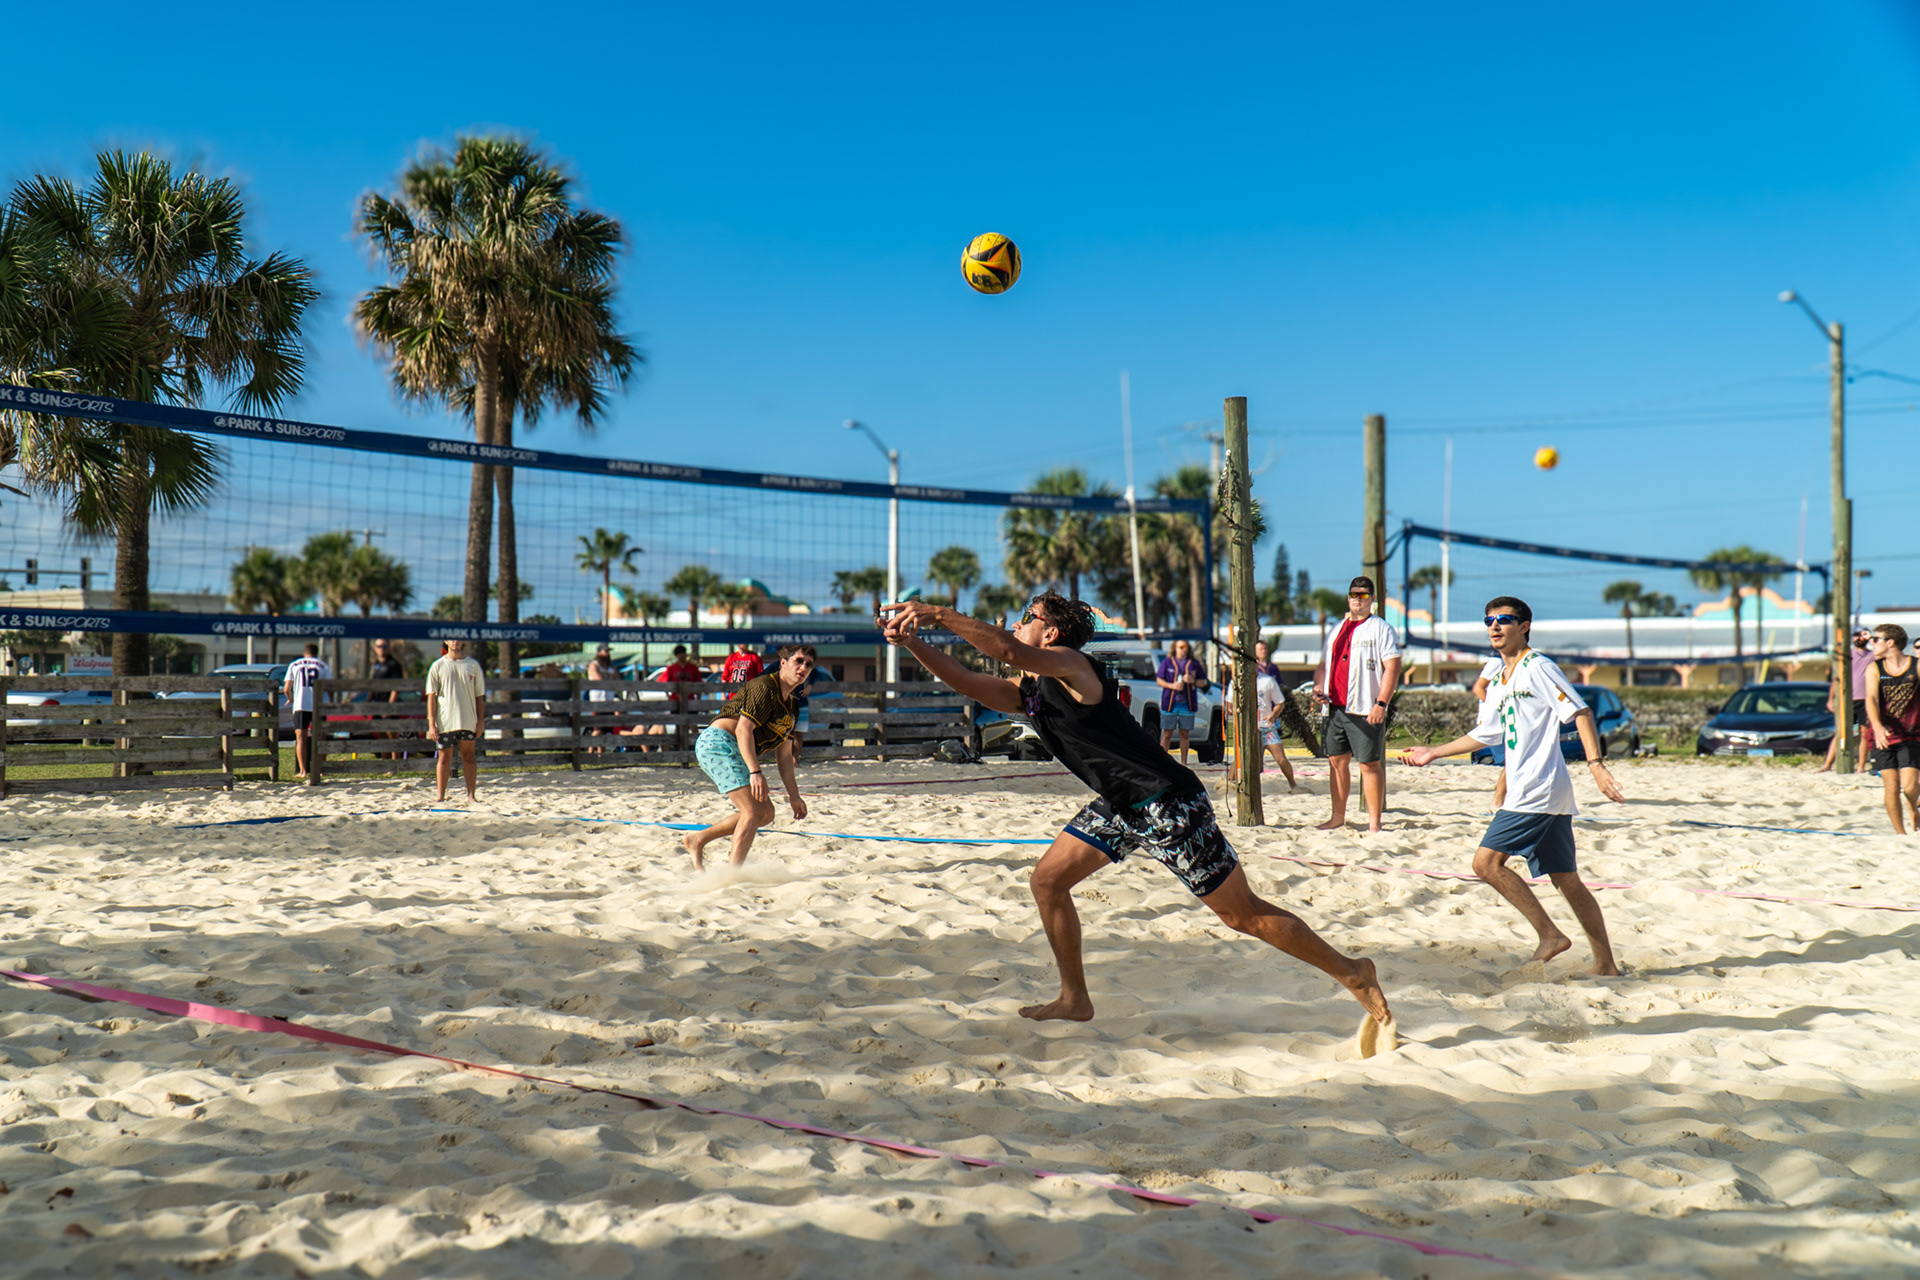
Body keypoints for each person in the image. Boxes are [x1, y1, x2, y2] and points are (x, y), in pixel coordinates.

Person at [878, 591, 1391, 1039]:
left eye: (1027, 615)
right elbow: (969, 682)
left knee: (1242, 915)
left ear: (1051, 633)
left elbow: (1008, 650)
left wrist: (937, 614)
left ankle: (1354, 972)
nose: (1016, 621)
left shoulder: (1075, 667)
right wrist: (913, 643)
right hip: (1121, 803)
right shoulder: (1029, 692)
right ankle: (1074, 998)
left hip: (1166, 801)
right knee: (1048, 882)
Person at [1403, 597, 1625, 975]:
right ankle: (1606, 965)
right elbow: (1486, 733)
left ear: (1524, 627)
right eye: (1489, 620)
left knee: (1486, 863)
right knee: (1567, 880)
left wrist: (1596, 766)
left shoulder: (1538, 667)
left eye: (1504, 620)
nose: (1495, 626)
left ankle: (1550, 936)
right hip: (1541, 791)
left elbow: (1580, 712)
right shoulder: (1500, 677)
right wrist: (1433, 752)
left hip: (1538, 789)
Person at [681, 645, 815, 871]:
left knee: (766, 813)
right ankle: (732, 874)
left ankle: (698, 839)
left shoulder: (792, 705)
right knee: (752, 812)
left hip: (733, 748)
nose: (803, 667)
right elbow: (743, 729)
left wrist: (794, 796)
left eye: (808, 664)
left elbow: (784, 755)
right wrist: (755, 771)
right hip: (717, 743)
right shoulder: (764, 686)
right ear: (783, 663)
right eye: (798, 661)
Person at [1311, 576, 1403, 833]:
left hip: (1365, 707)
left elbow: (1393, 667)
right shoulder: (1336, 629)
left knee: (1369, 764)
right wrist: (1318, 687)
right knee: (1336, 762)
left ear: (1372, 599)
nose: (1357, 599)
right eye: (1353, 594)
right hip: (1334, 706)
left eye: (1363, 595)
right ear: (1348, 597)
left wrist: (1381, 703)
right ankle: (1337, 817)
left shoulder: (1381, 628)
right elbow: (1323, 665)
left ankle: (1374, 823)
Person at [1864, 623, 1920, 832]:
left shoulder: (1916, 665)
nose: (1872, 643)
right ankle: (1900, 834)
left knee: (1910, 786)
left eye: (1875, 639)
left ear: (1890, 642)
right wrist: (1877, 726)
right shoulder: (1875, 668)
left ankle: (1913, 807)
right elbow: (1871, 699)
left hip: (1911, 733)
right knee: (1891, 786)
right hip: (1883, 734)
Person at [426, 638, 486, 803]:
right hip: (445, 721)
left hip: (468, 720)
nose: (455, 641)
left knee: (469, 757)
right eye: (451, 638)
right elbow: (431, 697)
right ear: (446, 641)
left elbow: (479, 696)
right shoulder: (438, 666)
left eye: (458, 638)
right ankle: (440, 796)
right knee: (444, 758)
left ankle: (471, 796)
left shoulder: (472, 665)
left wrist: (481, 721)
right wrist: (432, 723)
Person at [1227, 664, 1296, 792]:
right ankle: (1229, 784)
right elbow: (1229, 703)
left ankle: (1293, 785)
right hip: (1249, 729)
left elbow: (1280, 703)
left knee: (1281, 760)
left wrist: (1273, 715)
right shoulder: (1236, 682)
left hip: (1267, 728)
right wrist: (1231, 709)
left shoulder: (1267, 681)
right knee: (1240, 759)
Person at [282, 642, 332, 779]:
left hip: (300, 705)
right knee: (320, 737)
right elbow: (330, 686)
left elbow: (286, 688)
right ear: (316, 653)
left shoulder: (294, 664)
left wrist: (291, 698)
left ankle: (303, 771)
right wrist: (330, 701)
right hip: (317, 705)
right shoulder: (322, 665)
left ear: (304, 653)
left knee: (300, 738)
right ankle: (321, 768)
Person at [1155, 639, 1209, 763]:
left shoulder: (1193, 663)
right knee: (1167, 734)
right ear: (1175, 648)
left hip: (1187, 704)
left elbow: (1203, 682)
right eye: (1180, 647)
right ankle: (1163, 762)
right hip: (1170, 703)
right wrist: (1172, 686)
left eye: (1185, 647)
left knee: (1184, 734)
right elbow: (1159, 680)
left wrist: (1192, 680)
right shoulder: (1168, 662)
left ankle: (1184, 762)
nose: (1183, 649)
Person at [1471, 653, 1508, 807]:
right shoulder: (1497, 662)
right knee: (1514, 761)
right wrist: (1498, 710)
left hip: (1497, 720)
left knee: (1514, 762)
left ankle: (1501, 801)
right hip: (1493, 721)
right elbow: (1478, 688)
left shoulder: (1510, 663)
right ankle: (1498, 802)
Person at [369, 639, 408, 759]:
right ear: (375, 648)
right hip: (377, 704)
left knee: (392, 735)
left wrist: (389, 707)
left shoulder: (394, 664)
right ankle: (385, 762)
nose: (382, 649)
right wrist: (367, 702)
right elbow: (372, 685)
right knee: (382, 735)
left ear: (388, 647)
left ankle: (395, 764)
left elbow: (396, 688)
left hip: (390, 705)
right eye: (379, 646)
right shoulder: (376, 664)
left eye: (384, 646)